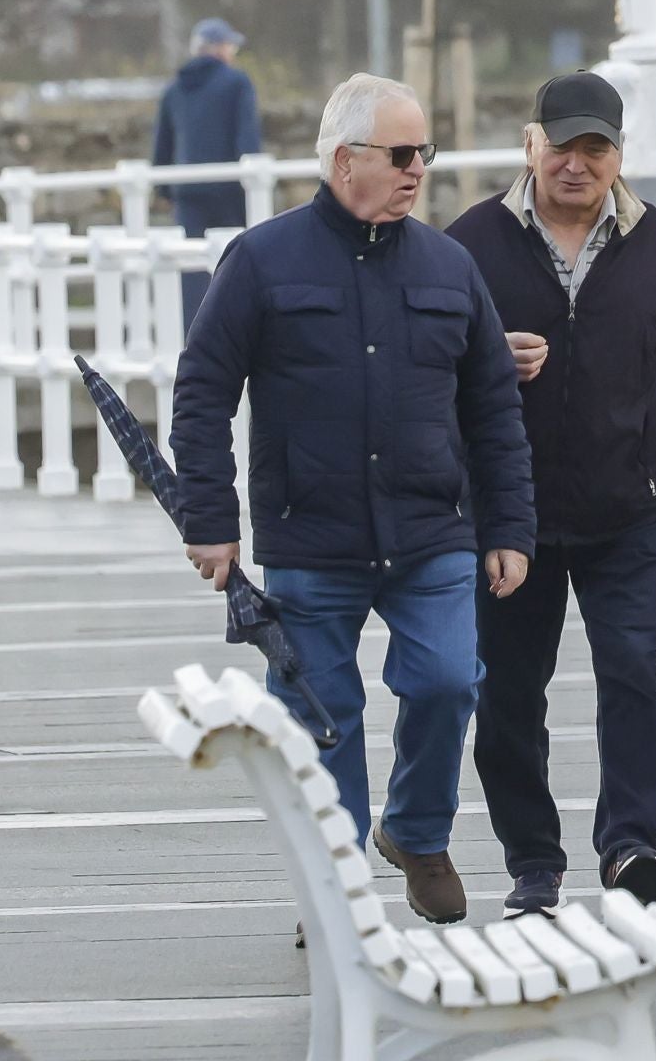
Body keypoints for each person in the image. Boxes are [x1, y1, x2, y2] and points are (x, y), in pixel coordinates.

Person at [169, 73, 535, 927]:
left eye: (426, 155)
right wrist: (211, 521)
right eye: (403, 155)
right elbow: (201, 390)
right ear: (345, 159)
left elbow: (492, 407)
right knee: (323, 718)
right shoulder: (261, 261)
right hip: (310, 540)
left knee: (449, 682)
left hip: (431, 532)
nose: (419, 172)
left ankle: (414, 831)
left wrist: (511, 525)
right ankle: (336, 891)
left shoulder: (450, 265)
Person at [445, 70, 656, 919]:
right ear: (529, 145)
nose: (576, 163)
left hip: (632, 506)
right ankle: (533, 862)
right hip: (511, 516)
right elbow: (428, 371)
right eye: (560, 145)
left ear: (616, 155)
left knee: (631, 674)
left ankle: (630, 843)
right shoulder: (470, 244)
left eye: (594, 147)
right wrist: (489, 354)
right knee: (506, 698)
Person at [152, 17, 263, 329]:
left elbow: (162, 146)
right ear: (220, 48)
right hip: (228, 190)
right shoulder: (237, 83)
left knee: (192, 273)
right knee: (234, 267)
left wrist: (163, 191)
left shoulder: (174, 88)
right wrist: (252, 182)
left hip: (187, 192)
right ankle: (234, 335)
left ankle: (194, 338)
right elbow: (247, 139)